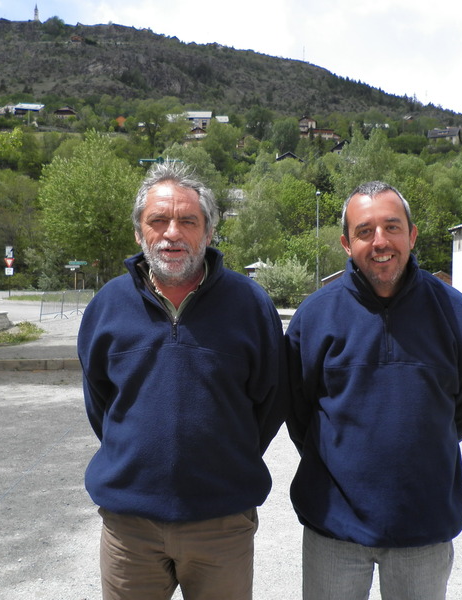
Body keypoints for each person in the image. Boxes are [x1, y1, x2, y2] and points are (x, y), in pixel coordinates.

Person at [78, 161, 286, 600]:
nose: (172, 232)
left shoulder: (250, 304)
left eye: (188, 221)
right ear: (139, 233)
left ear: (208, 233)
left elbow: (269, 402)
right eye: (158, 220)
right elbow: (101, 405)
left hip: (221, 525)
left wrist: (222, 459)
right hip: (129, 530)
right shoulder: (106, 306)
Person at [285, 181, 462, 600]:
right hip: (334, 530)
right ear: (346, 243)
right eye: (365, 231)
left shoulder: (456, 316)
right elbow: (298, 412)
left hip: (424, 526)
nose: (380, 242)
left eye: (392, 227)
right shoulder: (314, 318)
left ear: (412, 235)